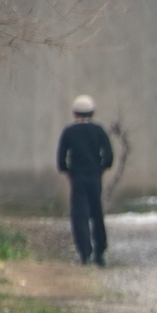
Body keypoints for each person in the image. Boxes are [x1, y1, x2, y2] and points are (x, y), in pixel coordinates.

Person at [56, 95, 113, 266]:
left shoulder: (69, 131)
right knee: (96, 213)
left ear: (74, 113)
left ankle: (84, 253)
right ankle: (100, 252)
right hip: (95, 177)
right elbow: (109, 156)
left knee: (79, 215)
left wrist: (69, 172)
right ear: (92, 112)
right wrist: (100, 169)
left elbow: (61, 159)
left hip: (77, 177)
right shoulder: (98, 130)